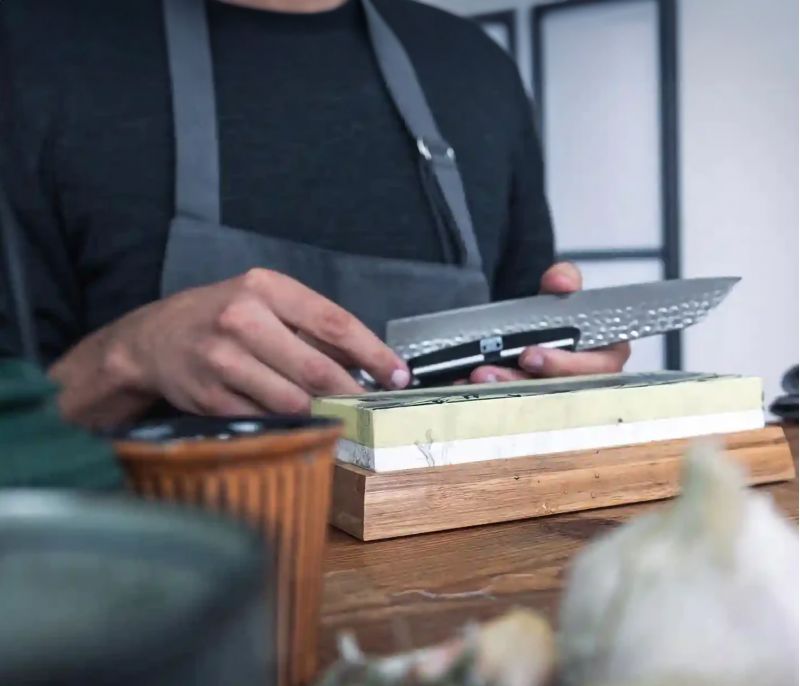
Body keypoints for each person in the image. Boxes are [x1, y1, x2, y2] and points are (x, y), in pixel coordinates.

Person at [0, 0, 629, 428]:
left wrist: (561, 382)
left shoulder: (475, 69)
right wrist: (129, 359)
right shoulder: (30, 54)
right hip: (144, 608)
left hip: (444, 597)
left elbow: (523, 371)